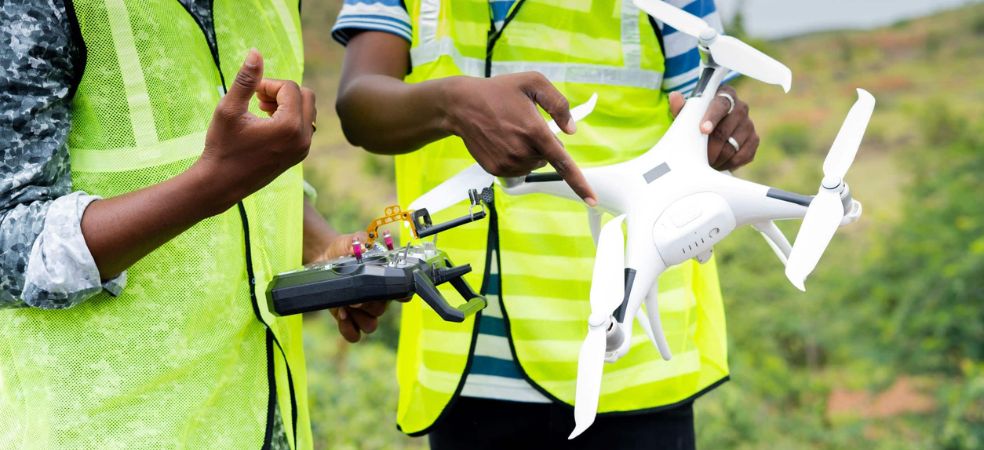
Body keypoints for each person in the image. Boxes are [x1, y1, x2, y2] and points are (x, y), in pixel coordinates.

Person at [331, 0, 760, 448]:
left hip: (631, 363)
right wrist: (450, 104)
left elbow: (712, 102)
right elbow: (358, 103)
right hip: (465, 368)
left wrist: (724, 124)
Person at [0, 1, 385, 448]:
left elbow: (243, 159)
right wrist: (209, 186)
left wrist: (321, 247)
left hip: (267, 421)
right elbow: (9, 234)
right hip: (106, 429)